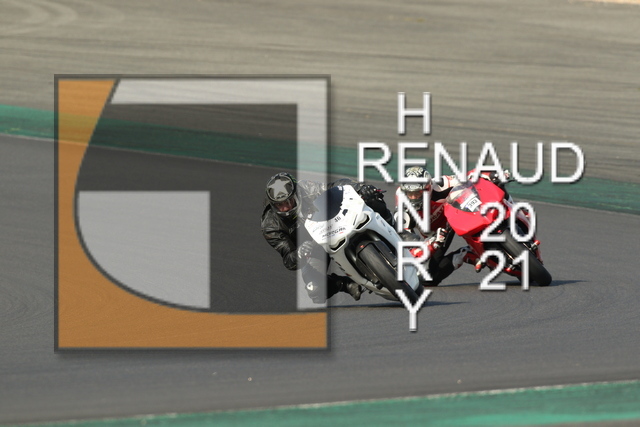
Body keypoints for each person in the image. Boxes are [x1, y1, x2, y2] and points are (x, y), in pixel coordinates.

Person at [261, 172, 394, 303]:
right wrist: (299, 253)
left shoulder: (306, 189)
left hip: (333, 223)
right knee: (315, 289)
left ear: (296, 194)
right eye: (279, 205)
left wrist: (359, 188)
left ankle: (393, 226)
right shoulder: (271, 227)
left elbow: (336, 187)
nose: (285, 208)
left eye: (288, 201)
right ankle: (344, 284)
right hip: (313, 246)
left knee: (370, 196)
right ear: (273, 205)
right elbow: (288, 259)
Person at [395, 166, 476, 286]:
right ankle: (465, 254)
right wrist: (431, 244)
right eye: (410, 194)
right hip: (436, 233)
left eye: (417, 193)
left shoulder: (441, 184)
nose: (413, 198)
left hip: (457, 214)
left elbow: (471, 176)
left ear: (428, 188)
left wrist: (492, 175)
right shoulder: (402, 200)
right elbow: (405, 241)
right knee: (427, 278)